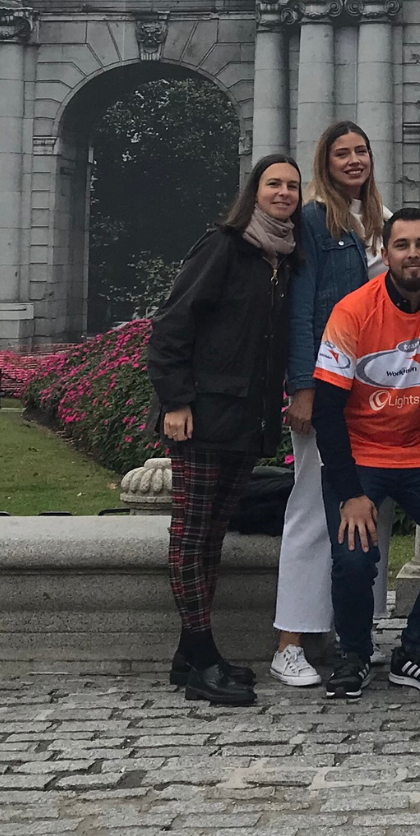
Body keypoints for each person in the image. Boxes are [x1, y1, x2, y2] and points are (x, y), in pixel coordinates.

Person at [145, 154, 303, 707]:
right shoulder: (224, 246)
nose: (283, 193)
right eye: (273, 184)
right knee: (192, 535)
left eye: (291, 186)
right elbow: (171, 324)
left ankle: (190, 656)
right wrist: (175, 401)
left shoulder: (281, 256)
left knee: (210, 534)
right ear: (254, 192)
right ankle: (201, 654)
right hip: (204, 417)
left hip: (244, 419)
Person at [311, 208, 420, 698]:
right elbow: (326, 409)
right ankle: (353, 655)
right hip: (360, 453)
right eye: (402, 245)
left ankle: (413, 649)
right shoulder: (353, 311)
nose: (413, 254)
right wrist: (349, 494)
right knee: (353, 557)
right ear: (386, 253)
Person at [275, 121, 395, 688]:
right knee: (310, 510)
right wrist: (302, 386)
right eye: (342, 153)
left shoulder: (382, 221)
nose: (354, 160)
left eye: (361, 151)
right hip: (328, 388)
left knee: (370, 509)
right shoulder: (315, 219)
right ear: (325, 162)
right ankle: (291, 640)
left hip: (381, 392)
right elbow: (302, 308)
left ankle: (355, 636)